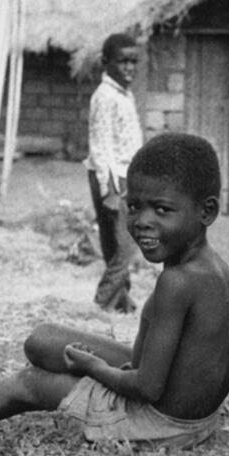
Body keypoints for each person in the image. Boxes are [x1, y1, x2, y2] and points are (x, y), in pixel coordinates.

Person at [0, 133, 229, 450]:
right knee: (44, 340)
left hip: (161, 423)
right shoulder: (212, 268)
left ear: (206, 211)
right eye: (134, 206)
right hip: (185, 406)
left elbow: (146, 387)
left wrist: (94, 367)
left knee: (29, 383)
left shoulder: (177, 282)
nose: (142, 221)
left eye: (162, 209)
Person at [86, 32, 144, 313]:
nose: (130, 68)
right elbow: (101, 147)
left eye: (134, 62)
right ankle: (99, 305)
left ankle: (122, 302)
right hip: (112, 179)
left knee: (116, 245)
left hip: (125, 177)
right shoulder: (105, 96)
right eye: (123, 62)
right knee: (126, 247)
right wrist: (108, 190)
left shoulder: (124, 94)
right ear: (106, 62)